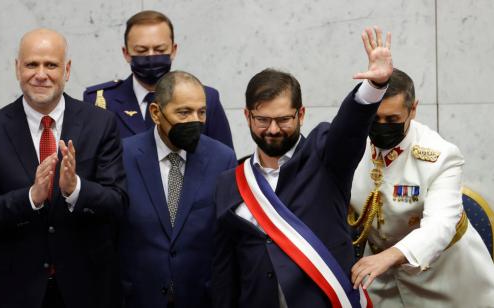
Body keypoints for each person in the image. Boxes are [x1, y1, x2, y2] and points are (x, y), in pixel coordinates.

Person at [212, 27, 393, 308]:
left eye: (284, 119)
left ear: (301, 114)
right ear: (247, 116)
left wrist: (374, 88)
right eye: (262, 119)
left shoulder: (324, 155)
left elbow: (349, 129)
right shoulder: (231, 182)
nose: (272, 129)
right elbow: (226, 268)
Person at [0, 28, 127, 308]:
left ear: (67, 69)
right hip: (13, 289)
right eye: (31, 64)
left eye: (51, 65)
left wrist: (76, 189)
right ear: (17, 68)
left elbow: (118, 202)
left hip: (86, 287)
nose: (41, 74)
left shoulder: (101, 124)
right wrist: (31, 197)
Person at [349, 68, 494, 307]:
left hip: (445, 279)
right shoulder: (353, 147)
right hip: (381, 279)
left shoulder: (440, 155)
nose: (382, 126)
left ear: (413, 109)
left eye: (392, 119)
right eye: (375, 119)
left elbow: (440, 225)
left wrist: (389, 257)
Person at [118, 70, 236, 308]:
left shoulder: (222, 158)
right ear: (155, 113)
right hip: (138, 298)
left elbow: (227, 238)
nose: (195, 120)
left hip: (200, 298)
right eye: (184, 112)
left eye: (201, 112)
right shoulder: (123, 155)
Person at [83, 10, 234, 149]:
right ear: (126, 53)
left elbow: (224, 164)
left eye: (160, 50)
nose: (151, 56)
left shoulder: (206, 98)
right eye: (141, 50)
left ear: (173, 50)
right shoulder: (100, 101)